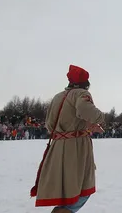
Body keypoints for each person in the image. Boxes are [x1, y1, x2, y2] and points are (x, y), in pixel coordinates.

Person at [30, 65, 105, 213]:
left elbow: (50, 124)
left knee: (67, 190)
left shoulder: (58, 97)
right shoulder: (81, 94)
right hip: (75, 148)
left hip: (58, 147)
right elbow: (85, 110)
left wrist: (84, 128)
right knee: (82, 190)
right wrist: (101, 117)